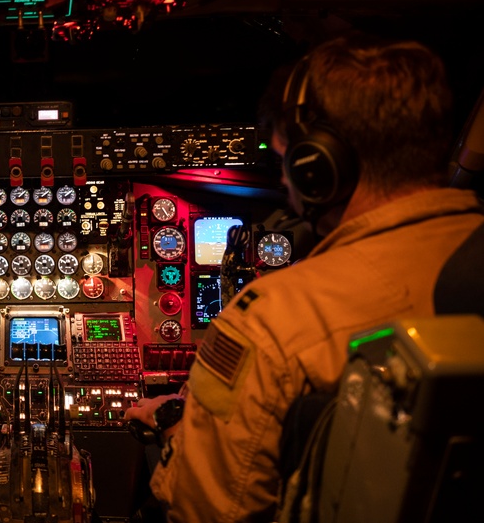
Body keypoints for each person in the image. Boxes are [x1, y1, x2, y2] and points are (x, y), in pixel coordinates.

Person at [125, 34, 484, 522]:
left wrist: (170, 425)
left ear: (318, 165)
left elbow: (206, 508)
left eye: (285, 161)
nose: (284, 182)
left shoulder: (276, 319)